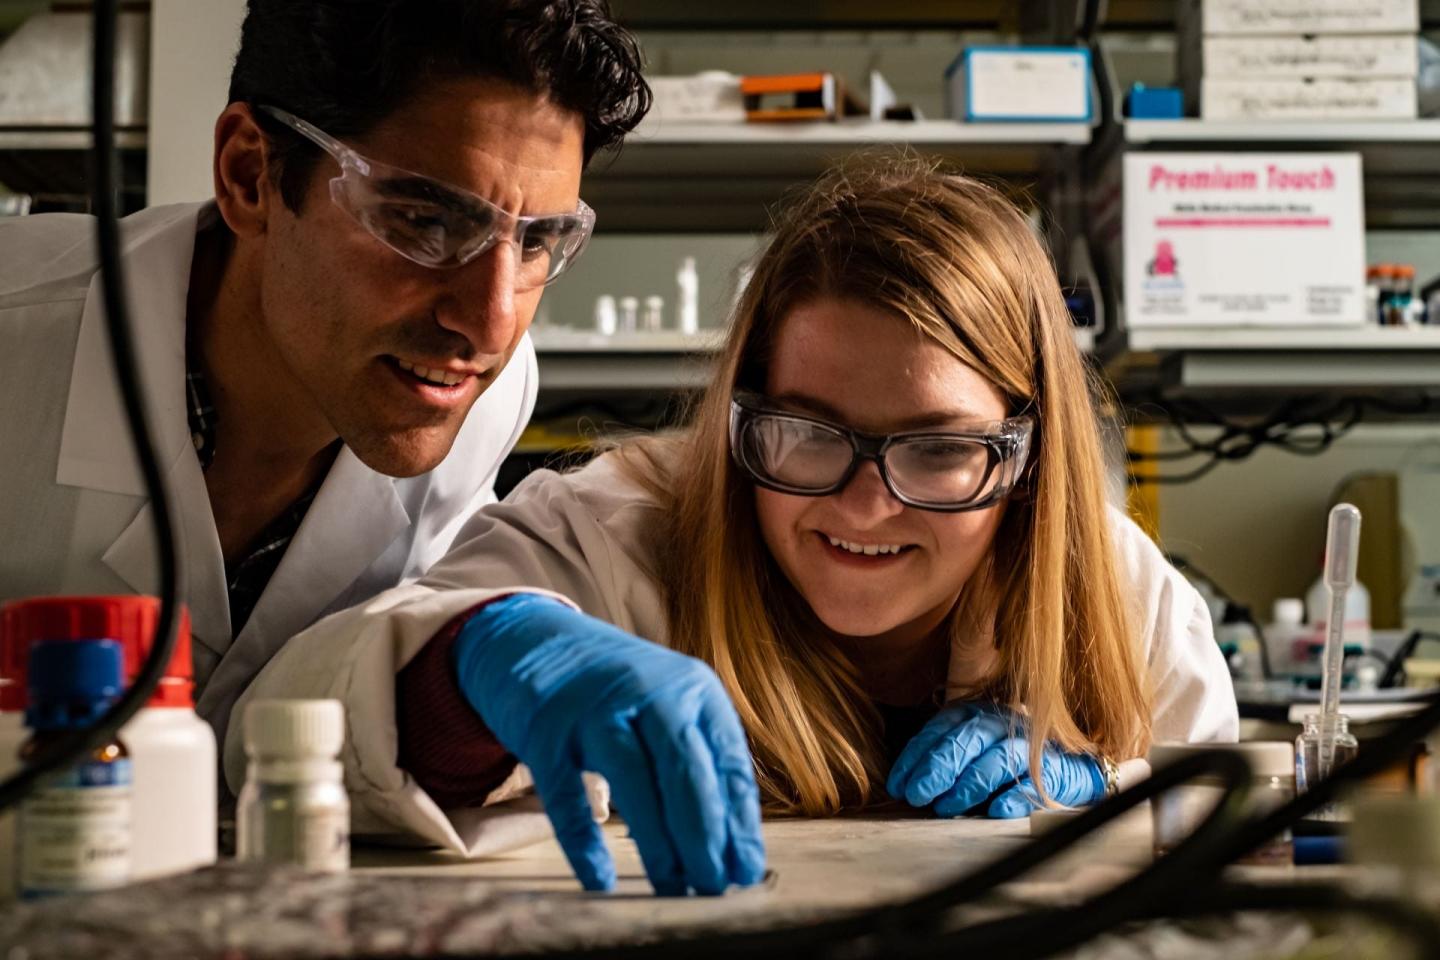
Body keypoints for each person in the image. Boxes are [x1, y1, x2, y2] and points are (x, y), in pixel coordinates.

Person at [227, 156, 1236, 895]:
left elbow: (1220, 849)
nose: (866, 504)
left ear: (1027, 456)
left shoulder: (1112, 587)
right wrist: (476, 663)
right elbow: (278, 735)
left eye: (938, 448)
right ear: (740, 414)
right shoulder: (611, 536)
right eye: (809, 433)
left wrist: (1099, 784)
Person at [0, 0, 650, 756]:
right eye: (426, 222)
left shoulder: (490, 393)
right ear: (250, 175)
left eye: (540, 241)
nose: (492, 323)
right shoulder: (18, 344)